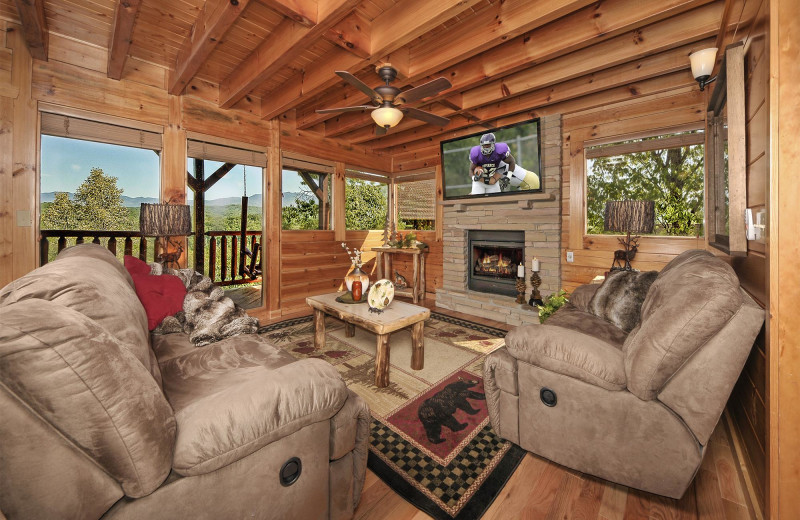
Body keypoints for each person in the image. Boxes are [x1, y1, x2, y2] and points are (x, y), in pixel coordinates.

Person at [468, 133, 540, 195]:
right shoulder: (488, 159)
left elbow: (492, 181)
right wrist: (475, 182)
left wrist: (477, 180)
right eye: (484, 146)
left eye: (488, 145)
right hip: (523, 184)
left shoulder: (500, 164)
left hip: (530, 181)